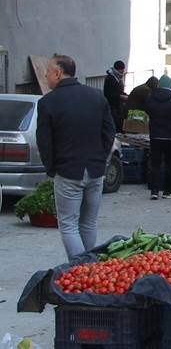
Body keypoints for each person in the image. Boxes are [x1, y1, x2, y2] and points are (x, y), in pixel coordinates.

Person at [36, 54, 115, 259]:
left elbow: (45, 142)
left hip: (68, 171)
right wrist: (102, 158)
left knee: (68, 225)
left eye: (47, 71)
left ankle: (81, 270)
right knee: (89, 222)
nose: (44, 75)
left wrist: (52, 168)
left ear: (57, 73)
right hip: (96, 171)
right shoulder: (96, 96)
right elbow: (109, 133)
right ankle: (88, 268)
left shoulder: (48, 102)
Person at [144, 75, 171, 200]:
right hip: (170, 137)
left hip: (155, 136)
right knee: (170, 164)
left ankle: (154, 190)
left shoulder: (149, 99)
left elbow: (147, 111)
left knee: (155, 164)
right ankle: (167, 191)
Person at [103, 60, 127, 133]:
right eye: (122, 69)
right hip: (113, 107)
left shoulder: (118, 78)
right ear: (118, 69)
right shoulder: (110, 79)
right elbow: (108, 94)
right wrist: (121, 96)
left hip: (118, 106)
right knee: (116, 125)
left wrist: (124, 94)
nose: (123, 71)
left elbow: (118, 91)